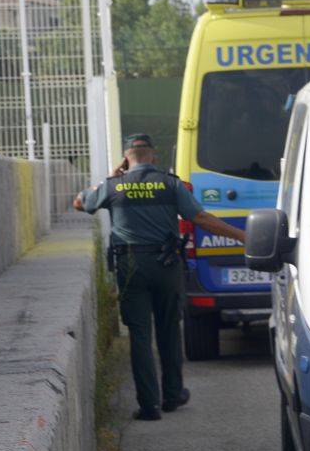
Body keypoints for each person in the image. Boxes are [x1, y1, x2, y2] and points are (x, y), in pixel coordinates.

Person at [73, 133, 246, 421]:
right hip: (167, 265)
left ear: (127, 157)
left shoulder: (113, 186)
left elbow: (79, 203)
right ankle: (173, 394)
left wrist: (109, 178)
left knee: (140, 335)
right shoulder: (170, 184)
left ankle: (149, 406)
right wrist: (243, 236)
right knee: (168, 330)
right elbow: (200, 218)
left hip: (131, 266)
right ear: (153, 155)